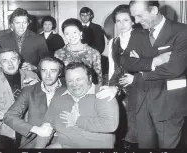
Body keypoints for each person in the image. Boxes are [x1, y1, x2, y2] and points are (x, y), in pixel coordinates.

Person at [121, 0, 187, 148]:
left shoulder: (182, 31)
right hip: (141, 101)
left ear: (154, 10)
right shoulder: (138, 33)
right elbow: (125, 61)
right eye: (134, 17)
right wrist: (154, 61)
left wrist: (139, 76)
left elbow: (175, 69)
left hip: (169, 103)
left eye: (139, 15)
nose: (136, 21)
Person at [35, 62, 119, 148]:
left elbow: (110, 125)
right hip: (63, 146)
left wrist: (77, 120)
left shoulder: (103, 93)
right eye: (70, 81)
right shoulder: (59, 94)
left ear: (89, 78)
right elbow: (47, 125)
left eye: (78, 79)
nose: (74, 84)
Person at [102, 4, 142, 149]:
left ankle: (132, 144)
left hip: (136, 82)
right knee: (116, 116)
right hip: (117, 82)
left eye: (126, 20)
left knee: (133, 118)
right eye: (118, 21)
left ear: (133, 21)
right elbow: (112, 67)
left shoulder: (142, 39)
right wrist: (109, 85)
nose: (122, 24)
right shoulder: (113, 42)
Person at [4, 57, 65, 148]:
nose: (48, 75)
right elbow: (9, 116)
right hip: (35, 141)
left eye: (53, 71)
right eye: (44, 70)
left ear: (59, 73)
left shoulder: (70, 90)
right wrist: (36, 129)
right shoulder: (29, 91)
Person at [54, 18, 102, 85]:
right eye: (67, 33)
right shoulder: (58, 54)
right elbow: (57, 78)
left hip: (88, 91)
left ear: (80, 33)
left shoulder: (93, 53)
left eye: (74, 32)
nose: (71, 36)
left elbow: (99, 79)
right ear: (64, 35)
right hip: (65, 90)